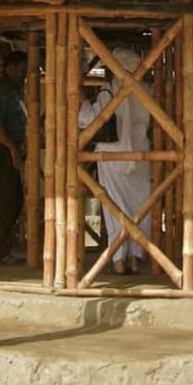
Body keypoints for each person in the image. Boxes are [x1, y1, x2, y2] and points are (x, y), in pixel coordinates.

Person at [79, 46, 152, 275]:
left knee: (115, 208)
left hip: (111, 154)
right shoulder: (147, 90)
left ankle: (119, 261)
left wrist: (80, 100)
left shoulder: (108, 91)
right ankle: (134, 258)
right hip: (141, 153)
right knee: (139, 205)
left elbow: (88, 121)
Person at [0, 50, 27, 265]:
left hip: (10, 148)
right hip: (0, 150)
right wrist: (12, 148)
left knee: (15, 199)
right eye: (21, 71)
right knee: (5, 200)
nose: (24, 75)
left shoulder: (13, 90)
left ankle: (0, 246)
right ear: (10, 69)